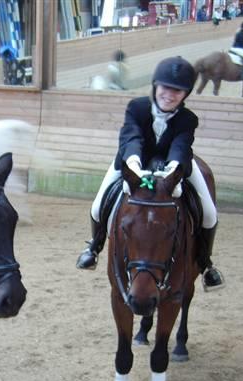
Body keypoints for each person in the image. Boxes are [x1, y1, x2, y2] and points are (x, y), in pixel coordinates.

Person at [76, 57, 225, 291]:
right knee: (97, 205)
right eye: (166, 87)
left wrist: (173, 170)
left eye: (178, 91)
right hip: (135, 161)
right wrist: (133, 164)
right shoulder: (137, 107)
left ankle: (206, 264)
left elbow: (180, 145)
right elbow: (131, 136)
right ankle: (94, 247)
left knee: (209, 212)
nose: (170, 94)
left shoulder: (188, 119)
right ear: (156, 85)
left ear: (185, 94)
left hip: (174, 166)